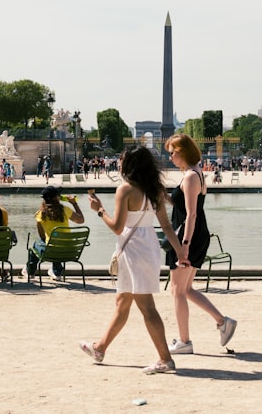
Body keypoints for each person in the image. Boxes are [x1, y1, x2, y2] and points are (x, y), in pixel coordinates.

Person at [80, 146, 184, 375]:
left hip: (133, 248)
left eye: (121, 159)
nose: (119, 162)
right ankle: (100, 348)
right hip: (149, 247)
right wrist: (180, 252)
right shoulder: (155, 189)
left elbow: (117, 227)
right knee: (122, 301)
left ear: (130, 165)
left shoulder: (125, 189)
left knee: (147, 307)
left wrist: (99, 211)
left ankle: (166, 359)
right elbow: (167, 226)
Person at [164, 133, 237, 357]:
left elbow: (192, 214)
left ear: (183, 151)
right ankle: (222, 322)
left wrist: (184, 246)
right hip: (194, 234)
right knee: (185, 289)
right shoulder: (193, 174)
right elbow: (184, 207)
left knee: (177, 290)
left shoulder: (190, 177)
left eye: (172, 152)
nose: (170, 157)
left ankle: (185, 341)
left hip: (189, 237)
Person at [25, 186, 85, 280]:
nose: (60, 196)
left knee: (36, 246)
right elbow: (81, 220)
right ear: (55, 198)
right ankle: (56, 272)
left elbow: (42, 237)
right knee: (56, 244)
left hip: (51, 252)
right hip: (69, 250)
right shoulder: (65, 210)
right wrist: (74, 203)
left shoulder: (40, 214)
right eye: (58, 195)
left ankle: (30, 271)